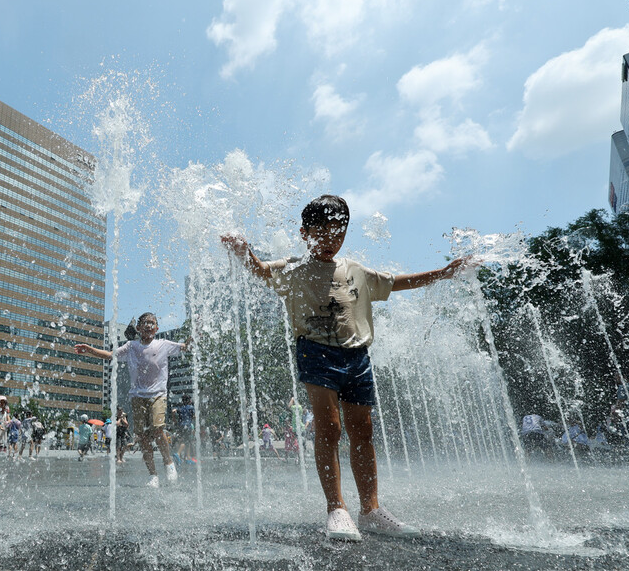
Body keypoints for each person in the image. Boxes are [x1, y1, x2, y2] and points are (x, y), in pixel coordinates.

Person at [222, 194, 471, 541]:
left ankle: (370, 509)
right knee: (329, 429)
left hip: (357, 357)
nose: (330, 241)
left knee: (363, 431)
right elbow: (262, 270)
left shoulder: (354, 269)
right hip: (316, 353)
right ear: (304, 232)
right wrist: (243, 252)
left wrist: (442, 274)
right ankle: (336, 508)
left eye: (338, 234)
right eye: (321, 234)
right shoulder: (294, 269)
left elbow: (395, 282)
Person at [76, 312, 190, 488]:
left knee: (158, 430)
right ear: (138, 328)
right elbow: (110, 355)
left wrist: (194, 335)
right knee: (143, 437)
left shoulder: (164, 344)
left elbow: (184, 347)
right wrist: (90, 350)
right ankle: (153, 475)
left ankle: (169, 464)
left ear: (157, 328)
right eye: (145, 323)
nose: (149, 326)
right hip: (137, 396)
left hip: (158, 394)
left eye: (152, 323)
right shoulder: (131, 346)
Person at [173, 395, 195, 464]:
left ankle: (188, 458)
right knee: (185, 441)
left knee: (187, 441)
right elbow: (194, 416)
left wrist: (175, 420)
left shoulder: (180, 408)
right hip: (187, 426)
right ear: (189, 401)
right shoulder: (191, 407)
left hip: (181, 426)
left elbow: (173, 411)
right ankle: (178, 453)